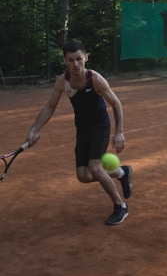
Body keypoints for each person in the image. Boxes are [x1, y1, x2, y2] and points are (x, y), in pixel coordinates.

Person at [26, 40, 132, 226]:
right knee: (83, 176)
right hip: (83, 129)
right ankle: (121, 172)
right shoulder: (62, 82)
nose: (75, 64)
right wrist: (34, 129)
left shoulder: (95, 79)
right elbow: (50, 107)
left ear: (86, 58)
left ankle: (120, 206)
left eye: (78, 59)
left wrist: (119, 132)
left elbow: (116, 104)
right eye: (71, 60)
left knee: (95, 167)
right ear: (65, 61)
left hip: (100, 127)